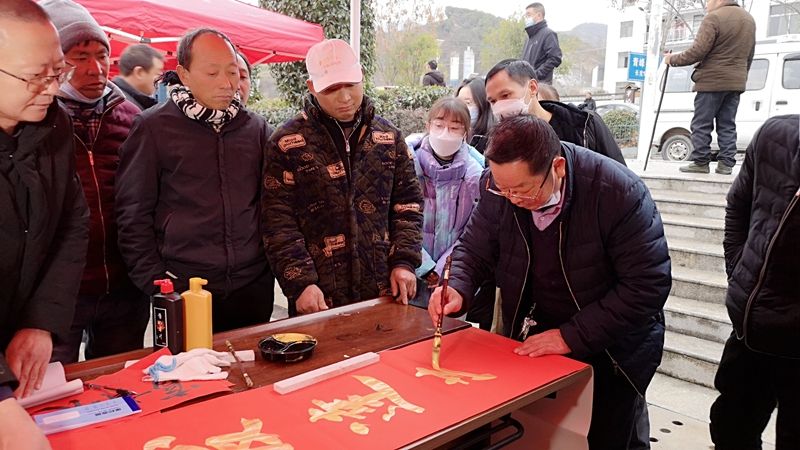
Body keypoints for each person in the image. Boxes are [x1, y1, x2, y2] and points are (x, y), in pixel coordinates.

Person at [428, 114, 670, 449]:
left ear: (557, 168)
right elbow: (474, 247)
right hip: (537, 336)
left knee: (607, 437)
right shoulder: (499, 186)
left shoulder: (617, 191)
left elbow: (647, 286)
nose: (512, 198)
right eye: (503, 188)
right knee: (538, 434)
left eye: (523, 190)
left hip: (611, 345)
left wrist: (572, 335)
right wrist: (456, 286)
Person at [116, 28, 275, 332]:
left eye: (233, 72)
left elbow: (273, 204)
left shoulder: (255, 128)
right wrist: (156, 281)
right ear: (184, 75)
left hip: (252, 285)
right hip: (184, 287)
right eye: (212, 73)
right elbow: (132, 214)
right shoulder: (153, 128)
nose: (227, 83)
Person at [263, 39, 423, 316]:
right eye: (331, 89)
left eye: (350, 84)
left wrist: (404, 262)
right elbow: (277, 220)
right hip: (317, 296)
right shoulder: (287, 142)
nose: (345, 97)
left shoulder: (389, 137)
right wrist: (301, 283)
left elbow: (408, 205)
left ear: (362, 75)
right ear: (312, 87)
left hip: (383, 290)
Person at [40, 0, 146, 364]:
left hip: (125, 285)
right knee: (55, 384)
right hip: (58, 291)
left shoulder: (132, 116)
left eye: (102, 55)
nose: (95, 68)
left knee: (121, 378)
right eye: (80, 56)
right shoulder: (35, 118)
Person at [0, 0, 89, 402]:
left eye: (57, 72)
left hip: (27, 333)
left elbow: (72, 219)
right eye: (36, 76)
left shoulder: (55, 124)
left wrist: (41, 320)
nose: (53, 88)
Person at [710, 115, 800, 449]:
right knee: (730, 429)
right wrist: (739, 271)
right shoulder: (776, 135)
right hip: (752, 329)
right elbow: (739, 205)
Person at [665, 0, 755, 175]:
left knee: (702, 123)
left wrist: (672, 59)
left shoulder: (713, 18)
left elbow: (697, 51)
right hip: (735, 82)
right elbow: (749, 54)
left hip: (711, 81)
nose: (707, 5)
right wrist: (741, 76)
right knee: (727, 124)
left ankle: (701, 162)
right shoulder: (748, 19)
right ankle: (726, 164)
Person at [411, 98, 483, 308]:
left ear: (465, 133)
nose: (445, 133)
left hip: (453, 280)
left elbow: (473, 233)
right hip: (408, 272)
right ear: (428, 126)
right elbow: (396, 221)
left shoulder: (477, 177)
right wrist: (424, 267)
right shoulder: (407, 165)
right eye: (439, 125)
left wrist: (444, 269)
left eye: (454, 128)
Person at [486, 59, 625, 166]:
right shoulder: (499, 143)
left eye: (506, 95)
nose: (500, 107)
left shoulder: (584, 126)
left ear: (532, 88)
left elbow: (622, 182)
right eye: (493, 101)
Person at [112, 44, 164, 111]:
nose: (160, 80)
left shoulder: (116, 99)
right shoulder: (125, 108)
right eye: (157, 74)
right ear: (139, 72)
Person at [521, 3, 562, 85]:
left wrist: (536, 75)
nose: (526, 18)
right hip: (527, 84)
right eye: (526, 16)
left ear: (539, 15)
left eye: (529, 15)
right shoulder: (529, 38)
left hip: (541, 86)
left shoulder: (548, 34)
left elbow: (555, 58)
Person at [455, 77, 495, 153]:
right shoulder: (451, 135)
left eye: (468, 103)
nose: (461, 107)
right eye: (458, 102)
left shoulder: (494, 143)